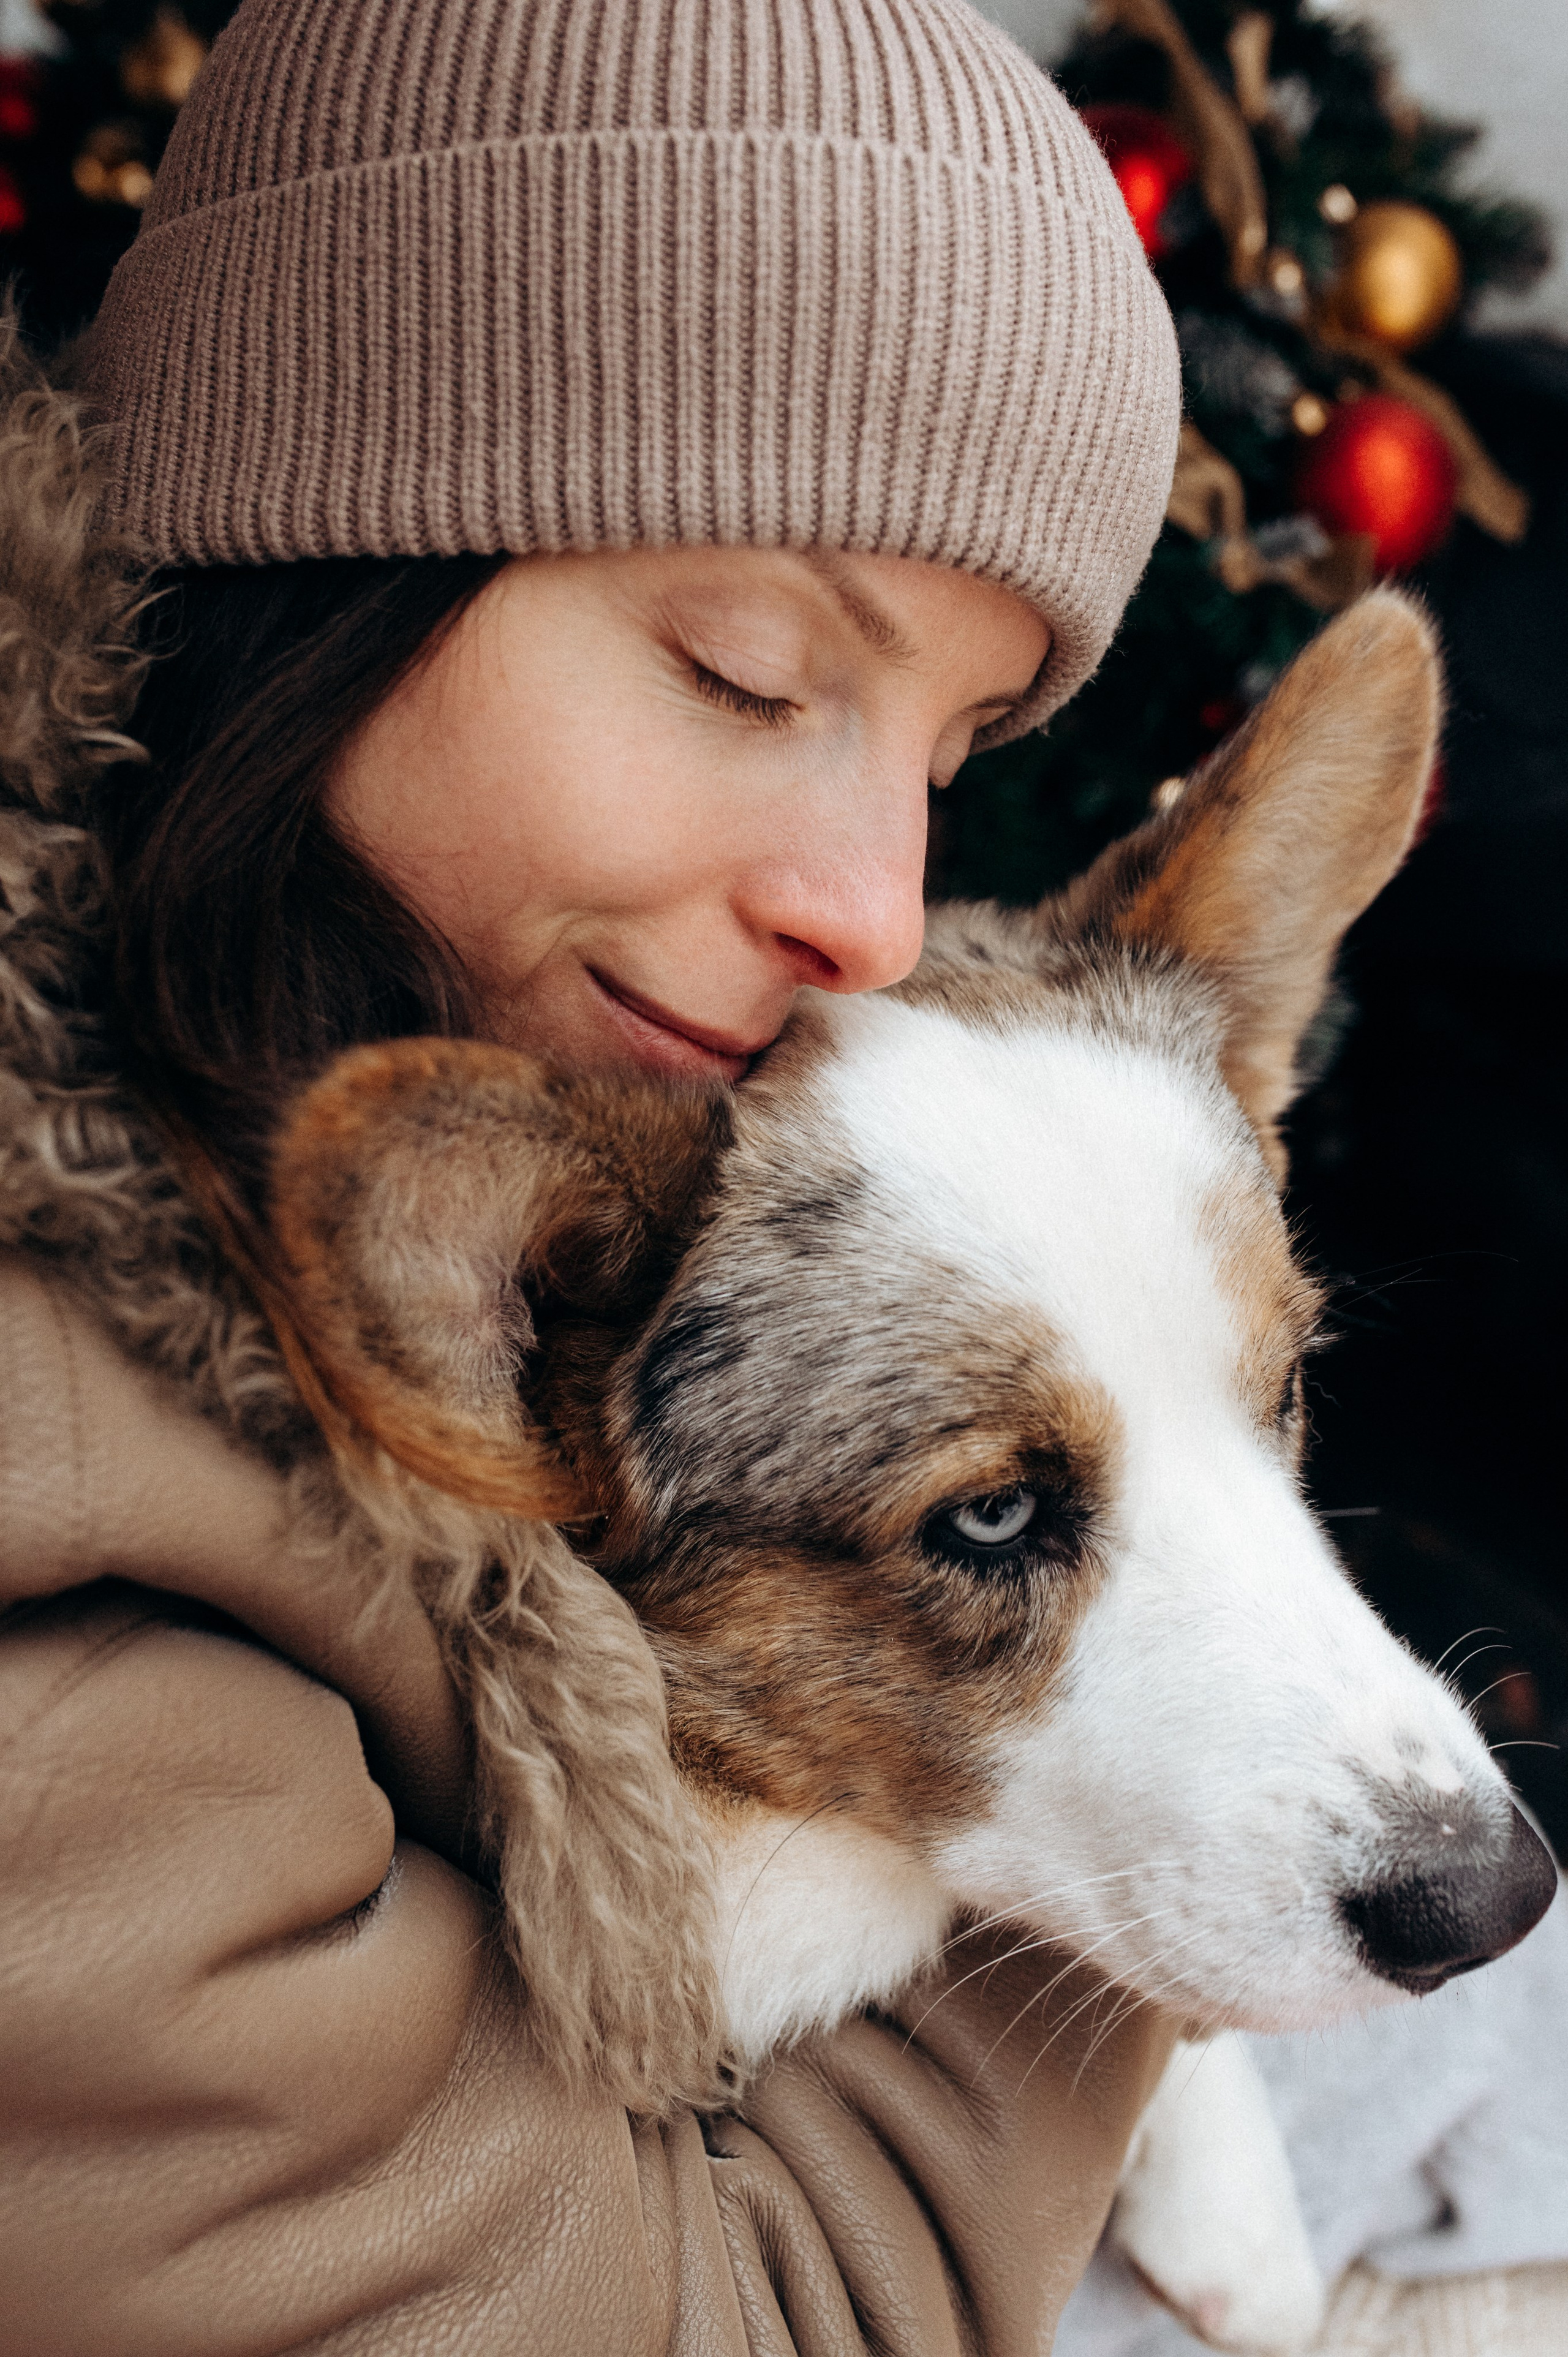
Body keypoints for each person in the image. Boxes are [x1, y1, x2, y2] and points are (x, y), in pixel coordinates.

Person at [0, 0, 1184, 2347]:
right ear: (314, 560)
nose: (877, 912)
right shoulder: (65, 1532)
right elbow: (726, 2315)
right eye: (745, 670)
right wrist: (1176, 1778)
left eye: (955, 752)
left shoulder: (474, 1083)